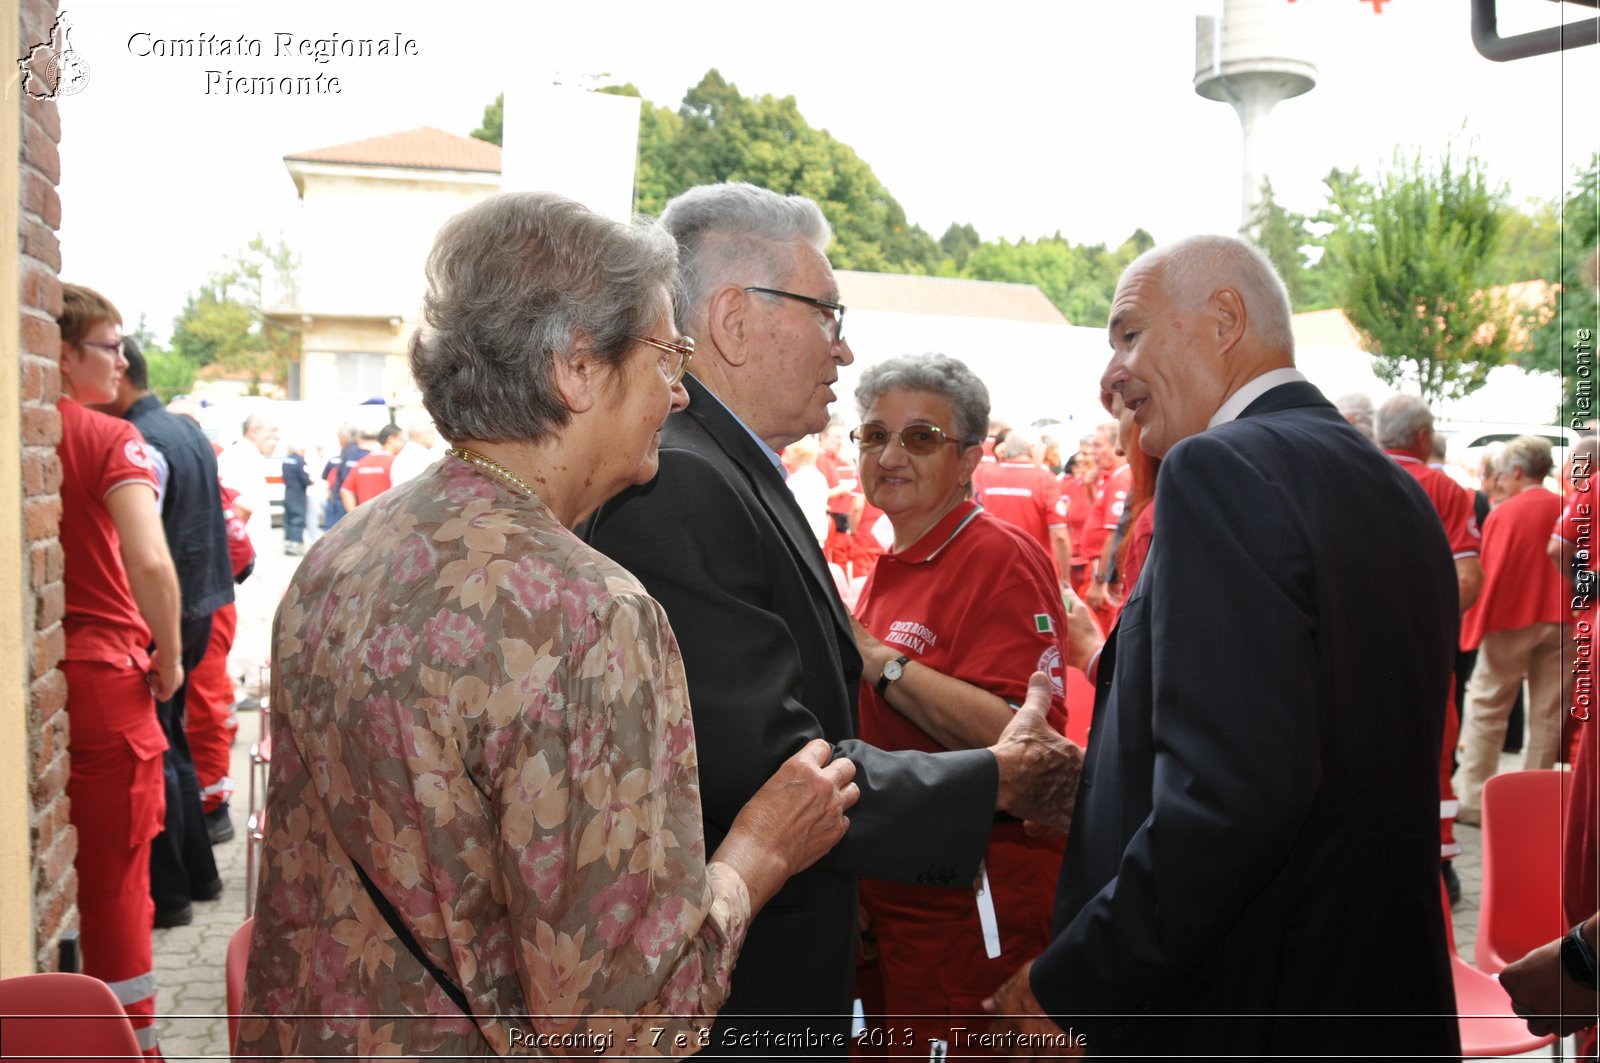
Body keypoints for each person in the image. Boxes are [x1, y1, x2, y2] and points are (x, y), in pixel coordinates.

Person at [236, 192, 861, 1058]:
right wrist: (758, 851)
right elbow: (625, 1019)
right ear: (576, 366)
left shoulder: (343, 551)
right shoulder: (587, 612)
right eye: (664, 356)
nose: (678, 393)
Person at [579, 182, 1080, 1053]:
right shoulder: (688, 481)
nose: (843, 351)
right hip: (740, 982)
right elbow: (769, 770)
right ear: (735, 320)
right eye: (828, 313)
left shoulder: (719, 465)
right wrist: (993, 781)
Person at [985, 234, 1460, 1058]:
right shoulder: (1393, 487)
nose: (1110, 380)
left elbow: (1233, 799)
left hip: (1249, 1003)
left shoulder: (1219, 468)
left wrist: (1068, 983)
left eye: (1128, 334)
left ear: (1225, 319)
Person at [847, 353, 1070, 1055]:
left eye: (920, 437)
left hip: (970, 919)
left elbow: (1025, 747)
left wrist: (878, 659)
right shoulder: (895, 561)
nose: (889, 454)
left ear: (971, 456)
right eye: (873, 434)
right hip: (897, 910)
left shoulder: (997, 557)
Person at [56, 284, 185, 1057]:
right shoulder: (108, 438)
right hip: (107, 680)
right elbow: (151, 561)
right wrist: (168, 656)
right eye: (109, 344)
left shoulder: (32, 435)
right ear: (65, 353)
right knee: (116, 885)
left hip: (48, 681)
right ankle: (132, 1044)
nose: (124, 359)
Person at [97, 338, 231, 926]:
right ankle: (197, 877)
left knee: (166, 749)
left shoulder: (141, 440)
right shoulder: (183, 429)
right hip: (199, 602)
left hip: (171, 613)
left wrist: (163, 640)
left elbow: (148, 554)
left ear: (121, 375)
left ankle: (174, 891)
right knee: (173, 744)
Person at [1375, 393, 1483, 900]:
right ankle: (1437, 864)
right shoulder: (1444, 487)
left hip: (1352, 650)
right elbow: (1468, 575)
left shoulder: (1344, 475)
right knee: (1434, 750)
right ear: (1423, 437)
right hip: (1420, 653)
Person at [1454, 435, 1568, 820]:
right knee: (1548, 715)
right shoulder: (1567, 506)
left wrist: (1474, 625)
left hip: (1510, 620)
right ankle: (1533, 803)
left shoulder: (1506, 512)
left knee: (1487, 708)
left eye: (1503, 474)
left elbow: (1492, 571)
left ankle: (1474, 803)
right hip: (1562, 620)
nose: (1499, 481)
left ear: (1517, 471)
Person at [975, 425, 1071, 582]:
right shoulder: (1044, 478)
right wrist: (1065, 580)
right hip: (1034, 570)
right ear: (1033, 450)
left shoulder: (987, 475)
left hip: (993, 567)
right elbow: (1059, 535)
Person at [340, 422, 405, 511]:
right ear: (391, 439)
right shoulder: (396, 463)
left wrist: (355, 517)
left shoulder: (361, 463)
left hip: (366, 520)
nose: (403, 444)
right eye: (401, 439)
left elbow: (346, 491)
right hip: (389, 519)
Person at [388, 417, 440, 486]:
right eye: (430, 432)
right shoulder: (418, 455)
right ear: (417, 434)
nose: (434, 436)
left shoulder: (405, 454)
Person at [280, 442, 311, 554]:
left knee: (288, 519)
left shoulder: (285, 460)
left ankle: (288, 543)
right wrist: (310, 482)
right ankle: (295, 545)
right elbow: (305, 479)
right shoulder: (300, 461)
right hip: (298, 494)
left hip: (288, 492)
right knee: (297, 519)